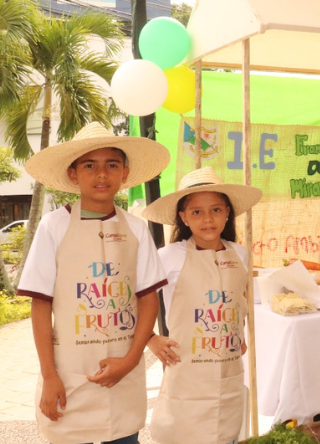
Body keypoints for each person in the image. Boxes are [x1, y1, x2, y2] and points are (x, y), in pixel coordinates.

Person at [17, 122, 170, 444]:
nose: (102, 174)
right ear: (73, 174)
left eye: (111, 165)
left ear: (124, 173)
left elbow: (147, 300)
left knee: (125, 437)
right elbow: (41, 303)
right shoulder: (53, 226)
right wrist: (49, 375)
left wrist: (130, 361)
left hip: (123, 372)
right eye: (90, 165)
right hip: (69, 373)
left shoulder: (137, 228)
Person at [143, 166, 262, 444]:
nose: (207, 219)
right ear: (183, 217)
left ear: (228, 212)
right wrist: (150, 338)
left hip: (228, 368)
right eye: (196, 212)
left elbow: (239, 301)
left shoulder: (240, 254)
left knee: (227, 432)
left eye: (216, 210)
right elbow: (135, 296)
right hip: (187, 370)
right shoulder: (169, 256)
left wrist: (239, 335)